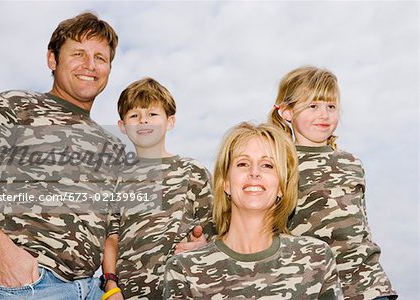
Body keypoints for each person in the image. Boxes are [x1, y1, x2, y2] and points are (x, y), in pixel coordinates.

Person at [0, 12, 123, 299]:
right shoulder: (16, 106)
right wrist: (2, 253)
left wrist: (111, 284)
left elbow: (113, 228)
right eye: (78, 53)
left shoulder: (112, 146)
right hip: (24, 284)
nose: (90, 65)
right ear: (52, 59)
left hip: (89, 288)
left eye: (100, 58)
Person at [164, 122, 343, 299]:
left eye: (267, 165)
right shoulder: (185, 270)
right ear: (225, 182)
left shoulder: (316, 259)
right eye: (243, 164)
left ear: (281, 186)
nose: (254, 172)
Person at [268, 66, 398, 300]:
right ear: (287, 111)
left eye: (331, 106)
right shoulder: (279, 163)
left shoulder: (352, 163)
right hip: (310, 287)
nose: (324, 115)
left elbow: (362, 229)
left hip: (367, 286)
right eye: (313, 106)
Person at [101, 77, 215, 299]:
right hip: (129, 293)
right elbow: (111, 238)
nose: (144, 121)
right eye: (134, 116)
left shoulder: (193, 171)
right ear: (122, 126)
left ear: (170, 122)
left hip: (186, 289)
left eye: (152, 114)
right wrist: (111, 286)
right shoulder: (117, 179)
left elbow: (217, 228)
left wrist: (203, 243)